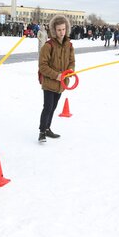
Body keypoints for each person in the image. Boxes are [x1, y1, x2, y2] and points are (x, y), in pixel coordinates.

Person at [38, 15, 75, 143]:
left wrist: (70, 71)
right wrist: (57, 75)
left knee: (53, 107)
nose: (61, 32)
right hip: (49, 83)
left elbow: (72, 62)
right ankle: (42, 132)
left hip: (61, 84)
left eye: (63, 29)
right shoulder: (48, 46)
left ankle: (48, 128)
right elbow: (43, 66)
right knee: (47, 107)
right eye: (59, 30)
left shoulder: (69, 45)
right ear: (54, 30)